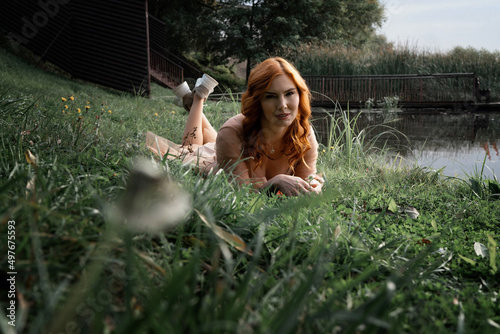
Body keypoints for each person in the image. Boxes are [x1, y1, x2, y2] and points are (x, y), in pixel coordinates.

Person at [146, 57, 323, 196]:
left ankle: (191, 100)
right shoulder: (232, 133)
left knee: (216, 140)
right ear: (258, 101)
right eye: (271, 96)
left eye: (289, 93)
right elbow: (242, 195)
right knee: (191, 149)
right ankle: (197, 100)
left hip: (228, 147)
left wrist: (312, 187)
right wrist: (274, 182)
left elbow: (304, 184)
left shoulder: (304, 134)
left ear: (300, 95)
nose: (283, 105)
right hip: (212, 161)